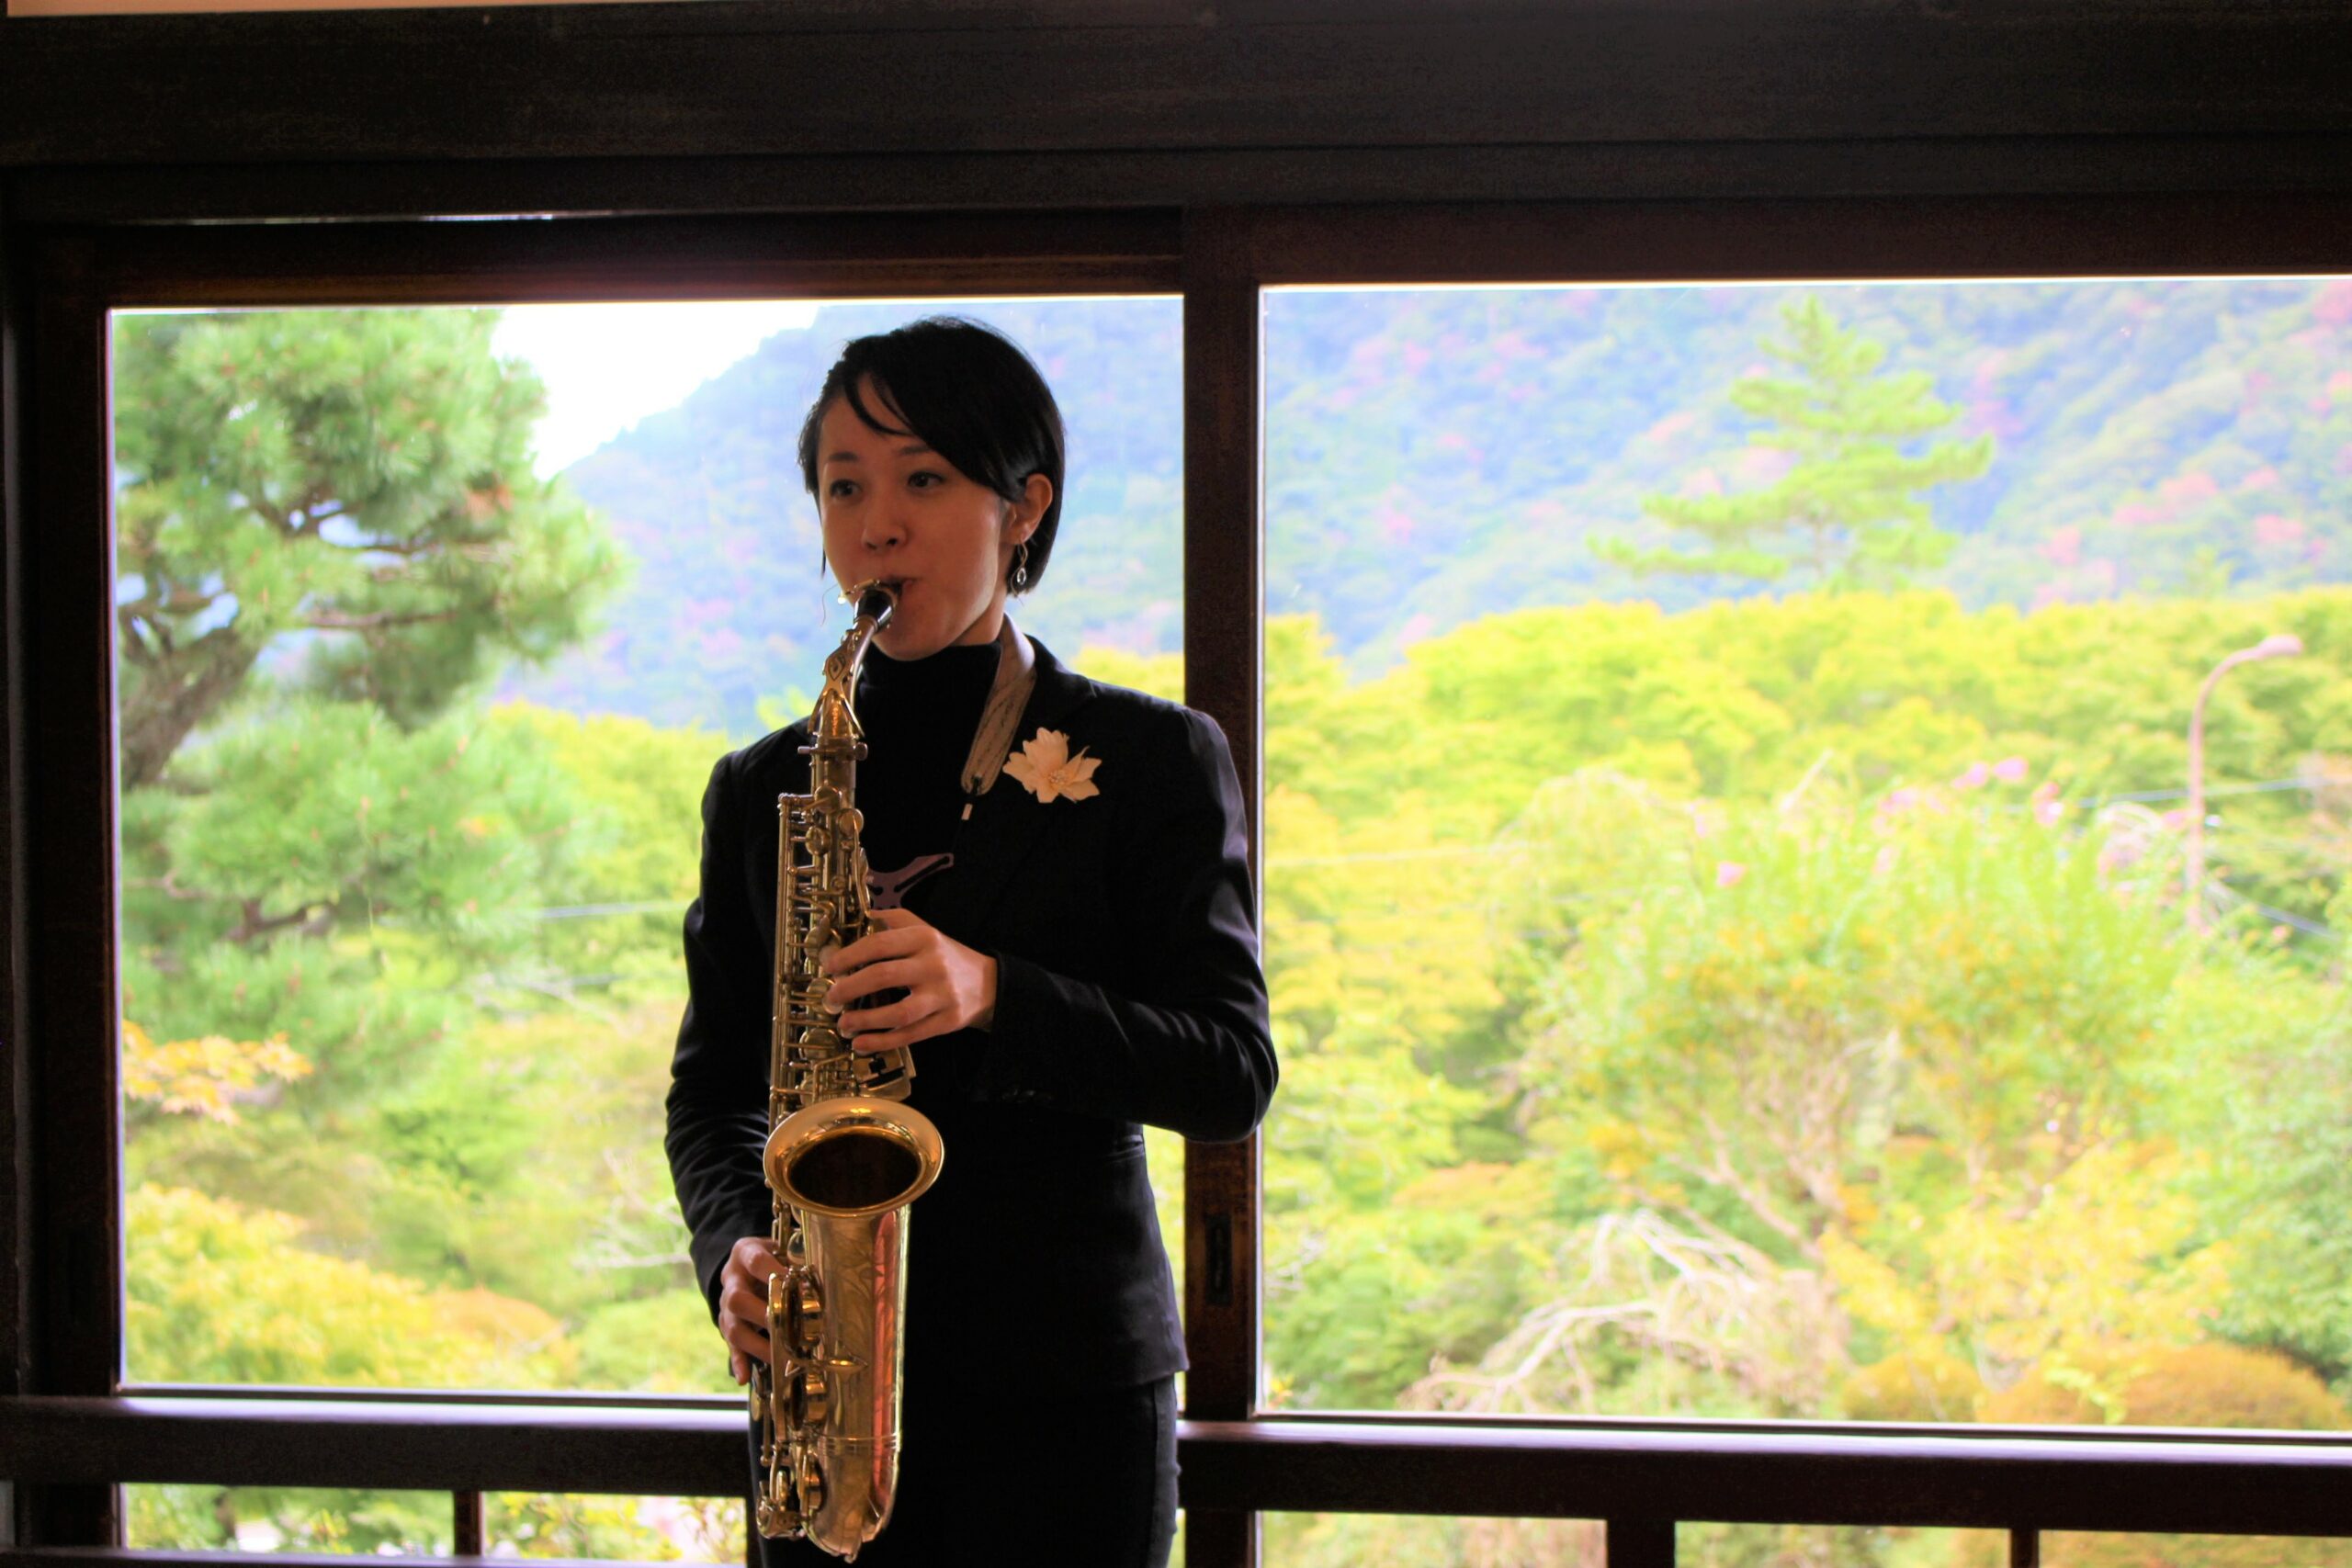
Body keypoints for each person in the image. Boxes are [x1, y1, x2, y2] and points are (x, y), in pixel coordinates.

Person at [665, 316, 1277, 1567]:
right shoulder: (762, 786)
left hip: (1069, 1403)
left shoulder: (1158, 757)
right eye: (844, 486)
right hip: (821, 1391)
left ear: (1025, 507)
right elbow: (714, 1090)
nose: (875, 523)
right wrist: (734, 1240)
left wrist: (997, 992)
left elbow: (1230, 1071)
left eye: (923, 478)